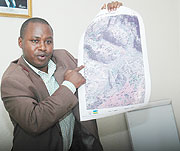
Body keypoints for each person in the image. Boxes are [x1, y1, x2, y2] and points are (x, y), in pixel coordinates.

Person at [1, 1, 122, 151]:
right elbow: (34, 121)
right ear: (20, 42)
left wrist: (108, 20)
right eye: (35, 41)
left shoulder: (63, 57)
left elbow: (98, 66)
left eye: (48, 41)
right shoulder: (12, 80)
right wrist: (69, 85)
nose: (43, 47)